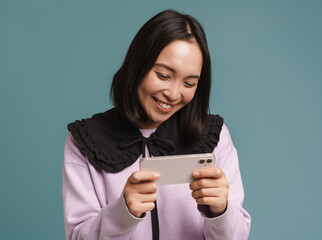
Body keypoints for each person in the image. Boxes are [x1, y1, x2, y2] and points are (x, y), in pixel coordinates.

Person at [63, 9, 251, 240]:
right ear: (137, 65)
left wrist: (221, 211)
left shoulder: (214, 136)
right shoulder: (87, 140)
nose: (173, 94)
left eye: (189, 83)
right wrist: (123, 212)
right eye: (163, 75)